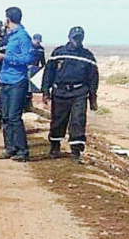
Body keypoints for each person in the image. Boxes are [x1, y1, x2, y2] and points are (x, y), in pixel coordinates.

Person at [42, 26, 100, 163]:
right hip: (60, 92)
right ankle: (55, 147)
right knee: (58, 120)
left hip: (79, 93)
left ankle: (76, 151)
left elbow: (93, 78)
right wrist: (45, 91)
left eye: (79, 38)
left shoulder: (88, 56)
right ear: (69, 37)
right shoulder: (58, 52)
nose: (77, 40)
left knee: (78, 121)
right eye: (75, 37)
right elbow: (48, 72)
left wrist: (92, 98)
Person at [0, 6, 33, 161]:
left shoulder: (23, 37)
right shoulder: (10, 36)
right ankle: (10, 148)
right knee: (6, 116)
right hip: (6, 80)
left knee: (15, 117)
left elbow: (28, 59)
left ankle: (23, 151)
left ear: (8, 20)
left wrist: (5, 58)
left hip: (17, 81)